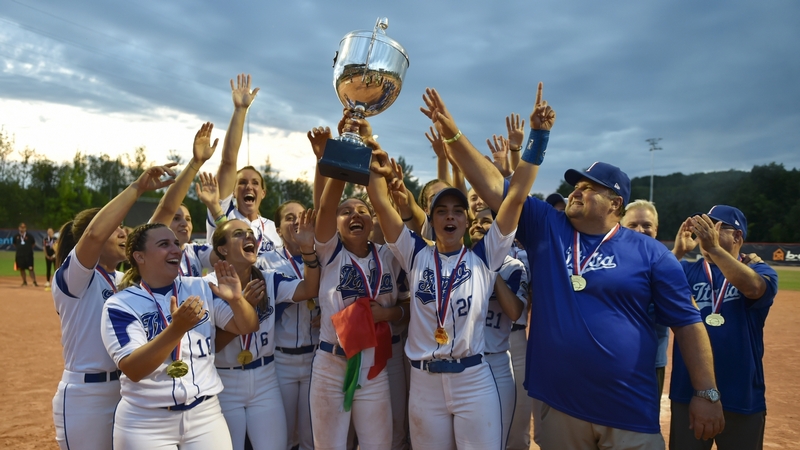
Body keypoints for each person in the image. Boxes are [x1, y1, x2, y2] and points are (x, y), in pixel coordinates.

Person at [422, 82, 724, 448]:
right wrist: (453, 135)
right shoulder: (548, 226)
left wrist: (706, 391)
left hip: (628, 412)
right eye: (576, 185)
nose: (577, 191)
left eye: (589, 187)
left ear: (615, 203)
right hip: (560, 409)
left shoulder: (650, 253)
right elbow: (494, 186)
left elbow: (689, 324)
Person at [368, 85, 540, 449]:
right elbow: (382, 208)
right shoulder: (415, 253)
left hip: (473, 381)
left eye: (457, 211)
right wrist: (373, 161)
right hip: (425, 384)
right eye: (441, 211)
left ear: (466, 220)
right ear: (431, 219)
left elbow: (517, 196)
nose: (450, 216)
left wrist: (537, 138)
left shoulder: (485, 256)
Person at [101, 223, 260, 450]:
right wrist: (177, 329)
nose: (175, 249)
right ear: (139, 256)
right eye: (164, 244)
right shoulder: (120, 304)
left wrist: (236, 300)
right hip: (146, 421)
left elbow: (247, 326)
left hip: (205, 415)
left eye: (176, 243)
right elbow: (133, 369)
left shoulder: (201, 287)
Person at [51, 164, 176, 450]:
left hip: (126, 390)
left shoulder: (124, 279)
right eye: (117, 227)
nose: (124, 232)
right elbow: (95, 234)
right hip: (86, 396)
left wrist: (193, 167)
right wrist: (137, 188)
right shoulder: (75, 278)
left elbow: (161, 219)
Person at [310, 116, 405, 450]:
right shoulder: (329, 250)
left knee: (378, 445)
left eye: (362, 209)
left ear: (372, 221)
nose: (354, 214)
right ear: (336, 223)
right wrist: (345, 144)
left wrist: (389, 315)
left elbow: (401, 308)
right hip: (331, 364)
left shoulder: (389, 255)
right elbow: (324, 206)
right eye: (346, 211)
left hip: (374, 363)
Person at [669, 205, 778, 450]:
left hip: (741, 395)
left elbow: (754, 289)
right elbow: (648, 282)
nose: (704, 233)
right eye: (702, 227)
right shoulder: (685, 270)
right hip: (688, 393)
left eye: (714, 228)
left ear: (737, 236)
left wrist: (715, 249)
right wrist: (677, 252)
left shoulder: (759, 269)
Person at [210, 215, 320, 450]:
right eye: (238, 233)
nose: (248, 236)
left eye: (250, 232)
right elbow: (212, 347)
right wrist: (244, 308)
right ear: (222, 249)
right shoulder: (207, 285)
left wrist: (308, 249)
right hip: (225, 380)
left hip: (265, 378)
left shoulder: (268, 279)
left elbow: (310, 288)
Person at [205, 74, 284, 270]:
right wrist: (240, 110)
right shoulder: (223, 213)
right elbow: (228, 161)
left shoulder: (275, 229)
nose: (249, 186)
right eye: (242, 182)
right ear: (233, 191)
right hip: (227, 295)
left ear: (263, 193)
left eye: (256, 183)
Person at [469, 207, 528, 449]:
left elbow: (514, 311)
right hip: (463, 364)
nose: (478, 225)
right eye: (474, 221)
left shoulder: (513, 266)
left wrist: (490, 268)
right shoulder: (455, 261)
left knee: (497, 440)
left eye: (486, 221)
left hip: (495, 363)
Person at [150, 122, 220, 277]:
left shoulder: (194, 251)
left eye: (188, 219)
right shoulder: (151, 245)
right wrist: (196, 163)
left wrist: (215, 207)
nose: (184, 223)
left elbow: (229, 250)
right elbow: (166, 207)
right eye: (176, 218)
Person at [621, 199, 670, 400]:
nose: (640, 230)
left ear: (656, 230)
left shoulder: (667, 263)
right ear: (621, 228)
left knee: (646, 425)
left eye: (647, 225)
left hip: (650, 362)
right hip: (610, 359)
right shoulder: (606, 261)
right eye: (632, 225)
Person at [13, 222, 38, 287]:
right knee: (22, 269)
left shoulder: (29, 236)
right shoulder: (16, 236)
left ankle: (34, 282)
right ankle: (24, 281)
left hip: (28, 255)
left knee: (30, 268)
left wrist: (27, 249)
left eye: (23, 228)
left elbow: (33, 244)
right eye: (21, 227)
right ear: (19, 228)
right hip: (20, 255)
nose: (22, 229)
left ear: (25, 228)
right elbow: (15, 244)